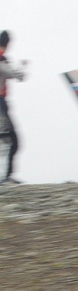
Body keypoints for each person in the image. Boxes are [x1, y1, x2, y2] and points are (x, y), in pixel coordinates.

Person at [0, 30, 27, 183]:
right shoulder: (2, 59)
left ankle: (5, 177)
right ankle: (5, 178)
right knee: (10, 140)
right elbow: (19, 76)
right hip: (0, 104)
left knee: (7, 139)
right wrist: (22, 67)